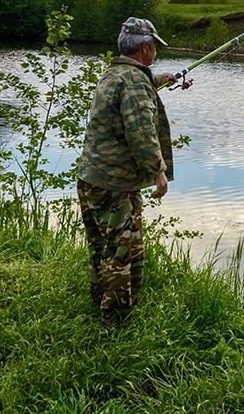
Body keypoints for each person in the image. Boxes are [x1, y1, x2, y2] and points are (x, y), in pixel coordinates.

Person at [76, 17, 177, 328]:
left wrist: (161, 79)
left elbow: (134, 90)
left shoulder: (115, 73)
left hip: (92, 178)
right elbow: (141, 132)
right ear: (145, 48)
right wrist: (158, 172)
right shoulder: (132, 82)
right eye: (155, 48)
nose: (156, 52)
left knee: (101, 247)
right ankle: (116, 323)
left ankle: (99, 300)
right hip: (115, 186)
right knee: (124, 253)